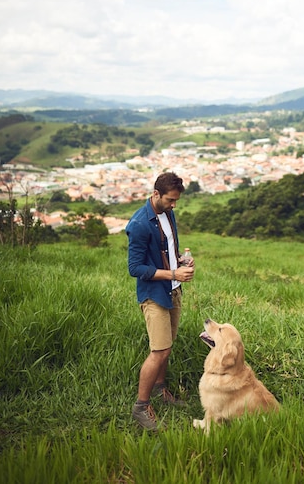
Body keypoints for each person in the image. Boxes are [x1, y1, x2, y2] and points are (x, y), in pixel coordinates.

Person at [126, 171, 195, 430]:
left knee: (168, 345)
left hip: (172, 289)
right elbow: (135, 268)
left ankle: (159, 390)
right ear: (156, 194)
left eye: (176, 200)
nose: (174, 205)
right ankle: (141, 407)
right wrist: (174, 273)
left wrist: (182, 261)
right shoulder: (139, 224)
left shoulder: (168, 214)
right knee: (159, 350)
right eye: (170, 200)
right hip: (153, 294)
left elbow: (168, 248)